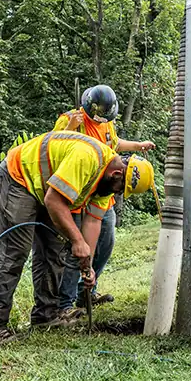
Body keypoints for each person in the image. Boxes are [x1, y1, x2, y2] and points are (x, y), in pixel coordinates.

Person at [0, 130, 154, 347]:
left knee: (53, 251)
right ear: (117, 174)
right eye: (121, 190)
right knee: (13, 253)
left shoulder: (107, 180)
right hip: (19, 178)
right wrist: (77, 240)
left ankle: (46, 316)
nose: (118, 194)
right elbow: (54, 200)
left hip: (47, 190)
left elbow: (92, 221)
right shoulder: (86, 158)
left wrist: (87, 264)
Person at [54, 84, 155, 314]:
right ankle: (65, 303)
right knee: (77, 245)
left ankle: (87, 289)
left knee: (105, 242)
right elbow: (55, 146)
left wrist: (138, 145)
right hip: (79, 190)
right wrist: (71, 128)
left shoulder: (107, 121)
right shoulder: (71, 119)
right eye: (97, 117)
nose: (100, 121)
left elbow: (115, 144)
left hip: (102, 191)